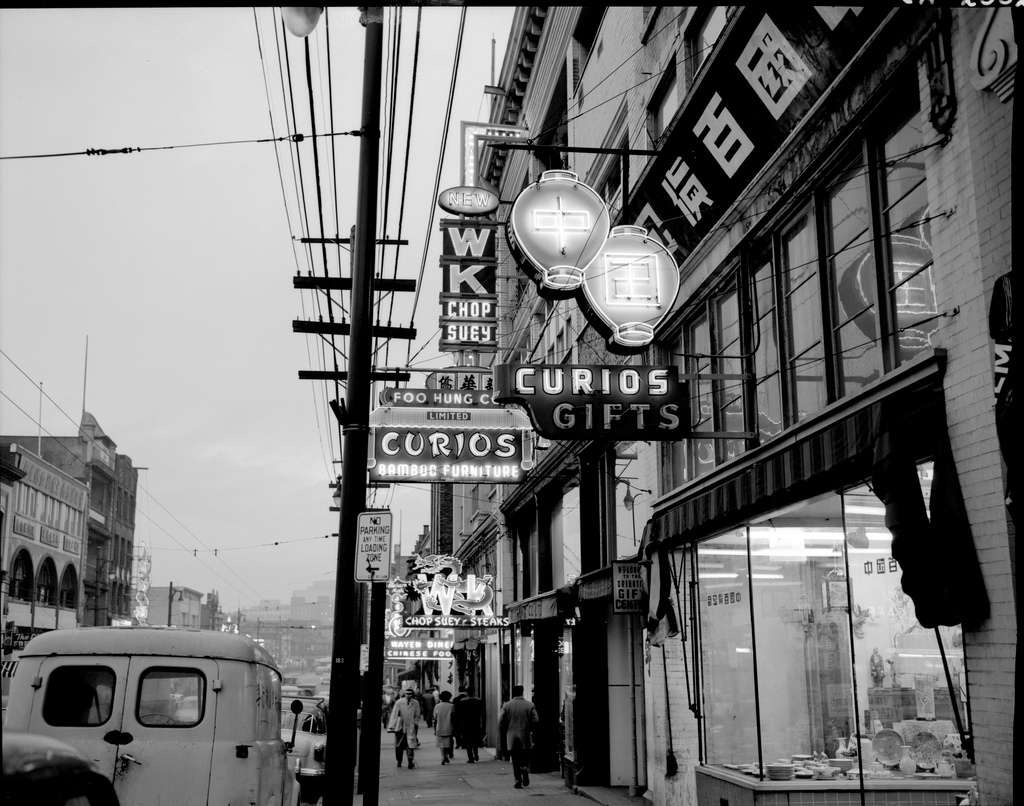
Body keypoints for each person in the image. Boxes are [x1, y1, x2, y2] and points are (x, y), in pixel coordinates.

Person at [498, 685, 539, 789]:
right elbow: (536, 720)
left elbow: (501, 720)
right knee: (525, 755)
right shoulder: (529, 705)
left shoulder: (507, 705)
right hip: (525, 735)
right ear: (522, 692)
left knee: (515, 759)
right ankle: (525, 768)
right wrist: (529, 728)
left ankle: (517, 780)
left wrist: (507, 727)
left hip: (512, 736)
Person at [387, 687, 421, 768]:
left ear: (412, 694)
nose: (408, 696)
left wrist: (415, 723)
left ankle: (410, 761)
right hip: (400, 727)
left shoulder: (416, 703)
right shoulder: (399, 702)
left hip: (411, 727)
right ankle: (399, 761)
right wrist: (392, 726)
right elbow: (394, 714)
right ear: (404, 694)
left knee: (410, 745)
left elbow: (417, 714)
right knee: (399, 746)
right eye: (407, 694)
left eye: (410, 694)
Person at [454, 686, 483, 762]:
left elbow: (459, 713)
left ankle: (470, 757)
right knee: (475, 740)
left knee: (468, 741)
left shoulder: (462, 701)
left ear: (466, 692)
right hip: (476, 722)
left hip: (466, 723)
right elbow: (481, 712)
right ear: (474, 692)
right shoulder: (478, 700)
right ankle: (476, 754)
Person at [432, 690, 455, 764]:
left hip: (439, 727)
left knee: (441, 743)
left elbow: (434, 717)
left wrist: (434, 729)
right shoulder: (452, 706)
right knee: (448, 743)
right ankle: (447, 755)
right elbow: (454, 717)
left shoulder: (437, 706)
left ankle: (443, 756)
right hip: (449, 727)